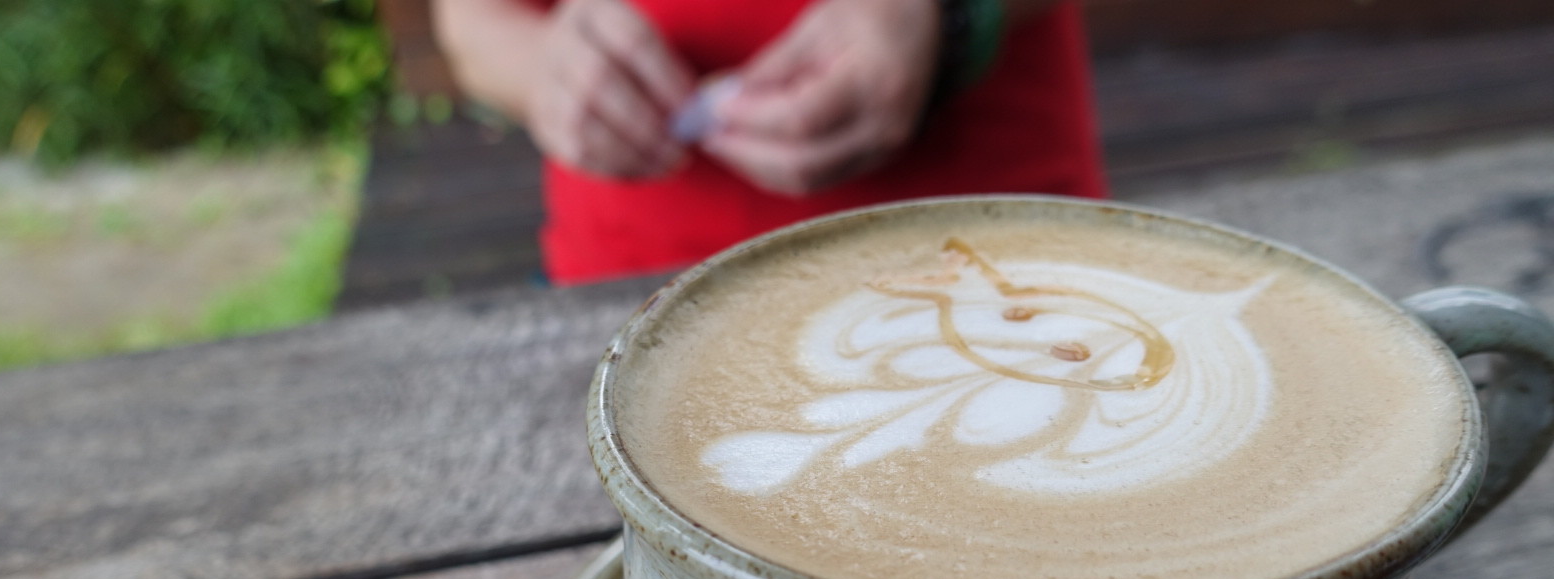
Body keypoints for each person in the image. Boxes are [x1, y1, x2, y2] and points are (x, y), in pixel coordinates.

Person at [432, 0, 1106, 284]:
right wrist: (543, 67)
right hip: (631, 286)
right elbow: (471, 21)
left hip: (1000, 255)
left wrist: (948, 12)